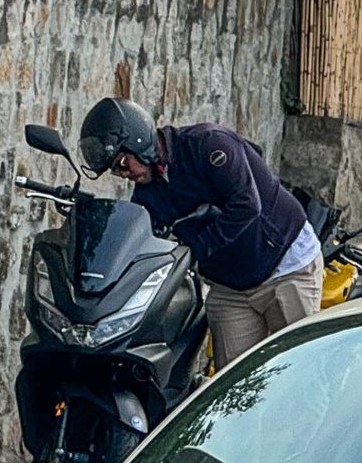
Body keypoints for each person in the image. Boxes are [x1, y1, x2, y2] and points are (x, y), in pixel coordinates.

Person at [79, 97, 321, 360]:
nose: (123, 175)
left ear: (139, 142)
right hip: (230, 287)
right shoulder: (147, 196)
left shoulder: (207, 145)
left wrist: (196, 250)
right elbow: (143, 239)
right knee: (232, 387)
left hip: (284, 264)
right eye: (116, 171)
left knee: (299, 370)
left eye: (122, 164)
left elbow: (247, 205)